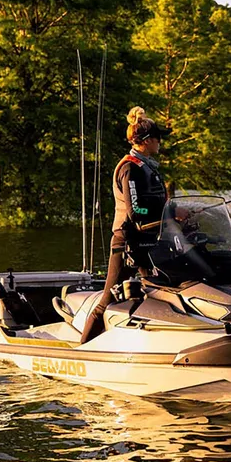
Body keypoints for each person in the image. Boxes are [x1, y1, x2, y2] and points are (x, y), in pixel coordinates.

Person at [79, 106, 171, 344]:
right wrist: (166, 216)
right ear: (148, 140)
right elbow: (135, 210)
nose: (160, 143)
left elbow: (154, 203)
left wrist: (175, 213)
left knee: (161, 290)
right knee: (107, 300)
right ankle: (82, 349)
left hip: (149, 241)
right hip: (128, 242)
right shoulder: (130, 167)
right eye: (158, 139)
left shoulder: (148, 166)